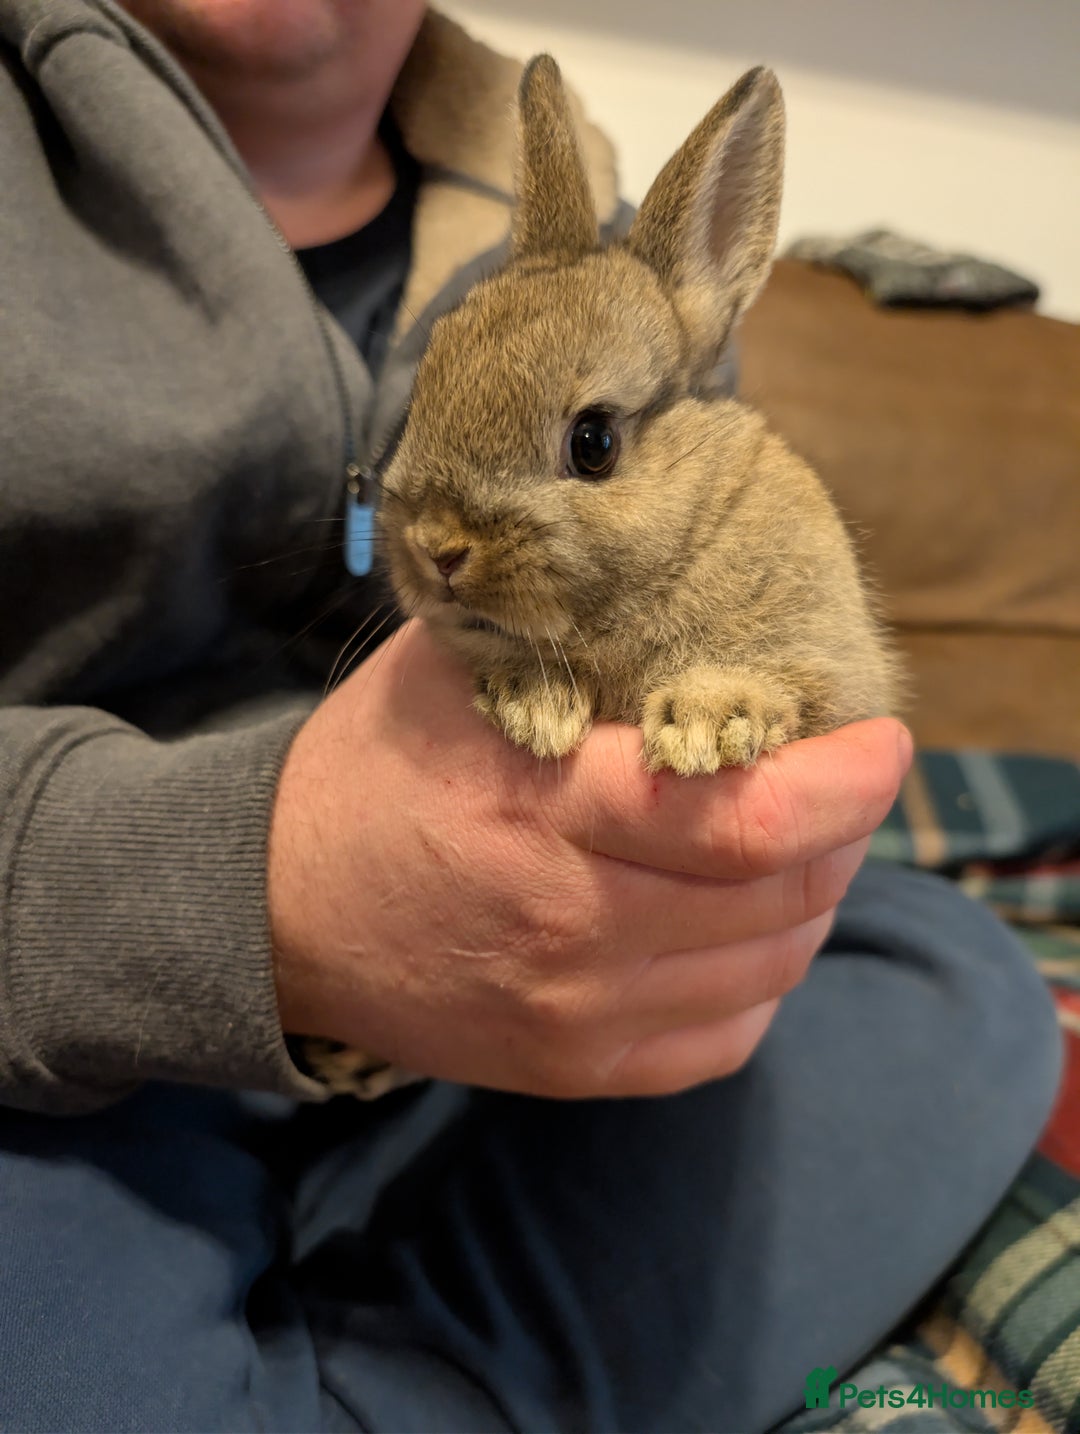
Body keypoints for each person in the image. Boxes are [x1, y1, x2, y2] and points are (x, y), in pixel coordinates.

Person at [0, 1, 1061, 1429]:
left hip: (505, 1019)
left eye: (589, 446)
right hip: (84, 1041)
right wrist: (260, 892)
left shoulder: (583, 246)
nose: (433, 541)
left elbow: (769, 673)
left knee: (955, 990)